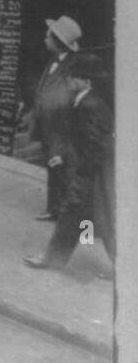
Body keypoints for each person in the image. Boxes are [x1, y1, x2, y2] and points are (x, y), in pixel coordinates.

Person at [24, 54, 114, 276]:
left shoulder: (91, 105)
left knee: (103, 221)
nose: (69, 81)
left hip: (93, 174)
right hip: (89, 172)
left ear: (86, 81)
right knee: (76, 215)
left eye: (73, 77)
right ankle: (53, 258)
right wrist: (63, 156)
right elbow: (78, 137)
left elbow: (96, 143)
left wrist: (82, 171)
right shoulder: (84, 100)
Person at [31, 16, 80, 222]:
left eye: (48, 37)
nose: (44, 39)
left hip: (60, 128)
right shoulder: (53, 60)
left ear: (58, 42)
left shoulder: (71, 66)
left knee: (61, 167)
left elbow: (68, 101)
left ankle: (64, 212)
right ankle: (54, 208)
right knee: (52, 166)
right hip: (48, 126)